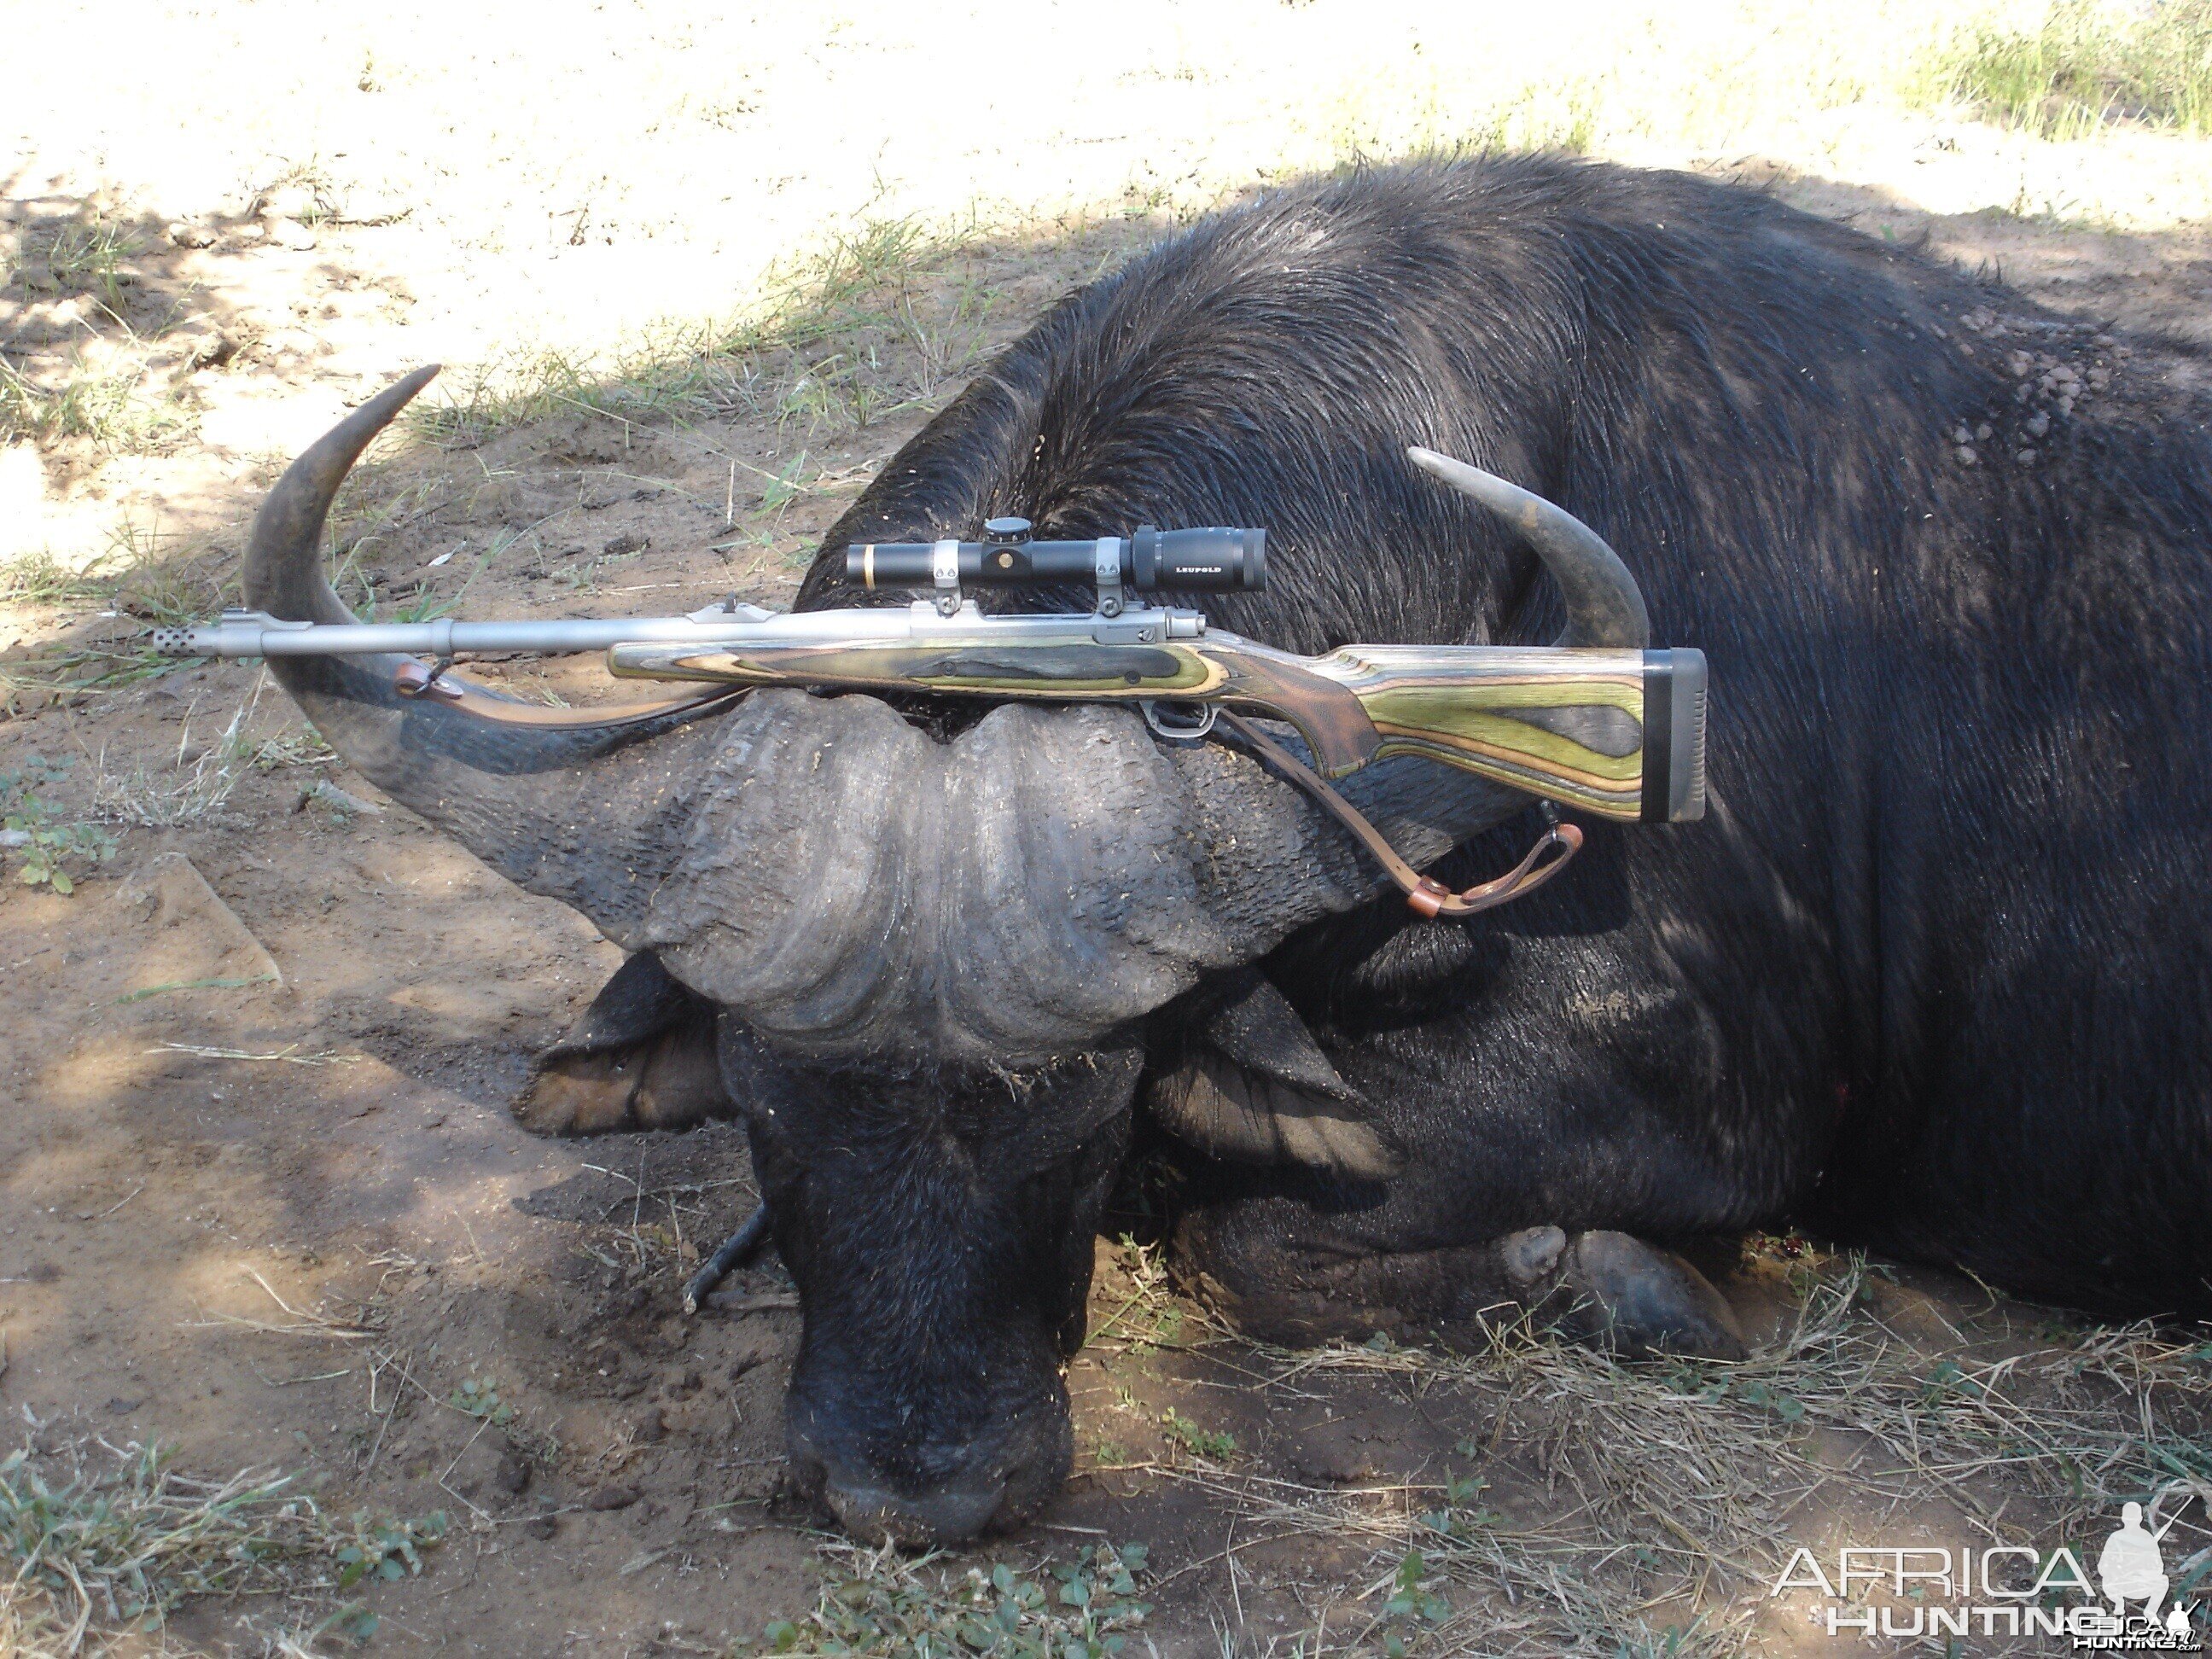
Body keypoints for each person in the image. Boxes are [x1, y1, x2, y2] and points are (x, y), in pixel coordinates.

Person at [2098, 1503, 2169, 1621]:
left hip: (2142, 1584)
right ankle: (2119, 1604)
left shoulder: (2147, 1538)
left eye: (2134, 1518)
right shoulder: (2116, 1538)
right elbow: (2102, 1566)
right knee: (2106, 1581)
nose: (2131, 1522)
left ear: (2140, 1518)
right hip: (2120, 1584)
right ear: (2123, 1518)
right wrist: (2117, 1569)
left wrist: (2143, 1571)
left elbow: (2159, 1567)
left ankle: (2151, 1610)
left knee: (2163, 1581)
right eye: (2128, 1518)